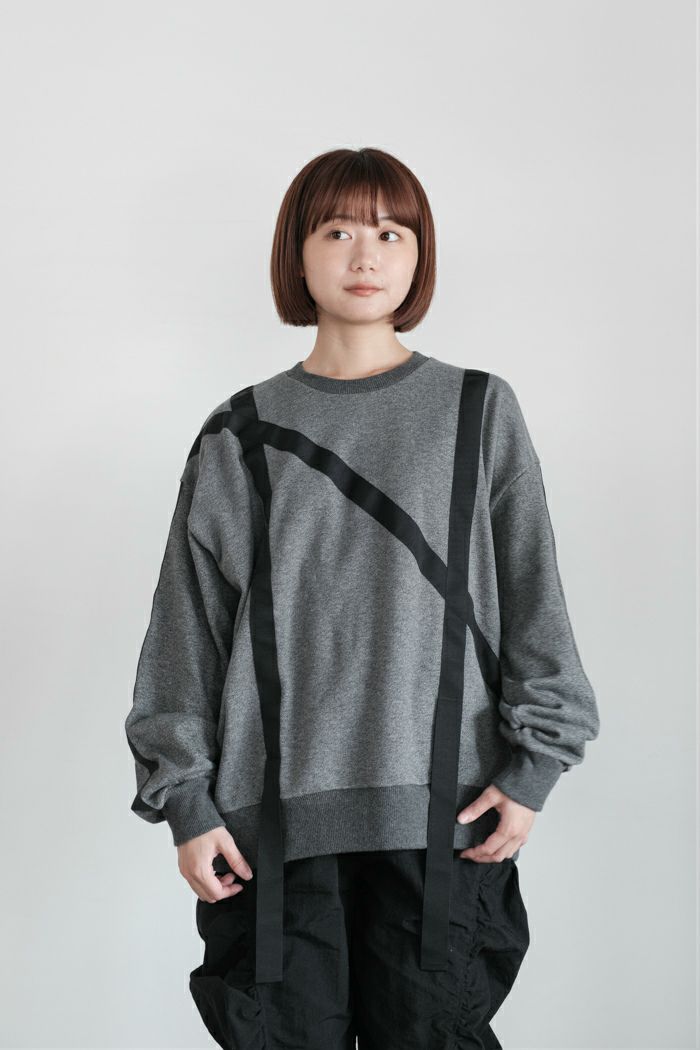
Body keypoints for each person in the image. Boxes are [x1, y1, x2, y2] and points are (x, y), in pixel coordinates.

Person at [124, 146, 600, 1050]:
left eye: (391, 233)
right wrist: (185, 801)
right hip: (268, 837)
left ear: (420, 255)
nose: (365, 255)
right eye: (337, 231)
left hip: (445, 821)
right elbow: (186, 634)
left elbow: (534, 597)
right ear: (296, 255)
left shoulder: (477, 411)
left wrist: (534, 766)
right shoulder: (239, 433)